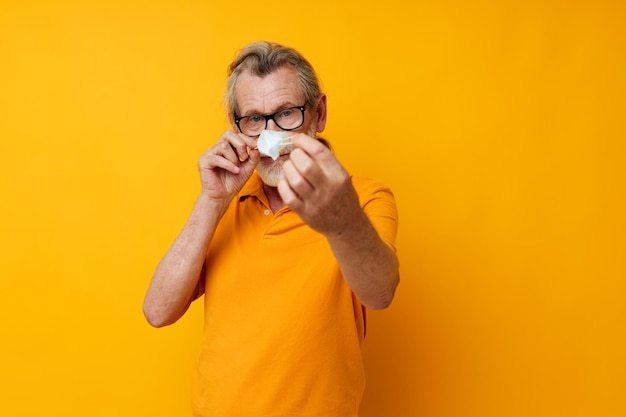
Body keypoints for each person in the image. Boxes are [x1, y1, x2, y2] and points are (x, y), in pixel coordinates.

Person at [143, 41, 400, 417]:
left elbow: (381, 292)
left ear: (319, 114)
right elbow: (157, 311)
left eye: (287, 114)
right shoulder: (224, 202)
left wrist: (342, 220)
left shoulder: (362, 199)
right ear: (235, 126)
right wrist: (213, 201)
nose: (271, 137)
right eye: (254, 119)